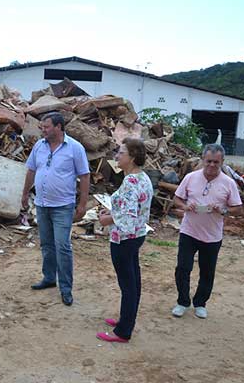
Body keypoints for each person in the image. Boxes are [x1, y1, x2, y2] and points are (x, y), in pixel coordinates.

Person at [21, 112, 90, 306]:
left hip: (62, 206)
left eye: (46, 127)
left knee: (62, 246)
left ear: (59, 127)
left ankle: (66, 288)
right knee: (47, 245)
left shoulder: (75, 148)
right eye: (42, 127)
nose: (42, 130)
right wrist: (25, 193)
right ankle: (49, 278)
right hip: (42, 204)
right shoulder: (39, 146)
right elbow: (31, 170)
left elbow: (84, 176)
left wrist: (82, 204)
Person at [171, 143, 242, 319]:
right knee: (182, 268)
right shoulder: (190, 177)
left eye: (216, 162)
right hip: (189, 231)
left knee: (207, 271)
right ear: (203, 160)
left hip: (212, 236)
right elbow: (177, 199)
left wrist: (223, 210)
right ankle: (182, 301)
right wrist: (186, 206)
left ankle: (200, 303)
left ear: (222, 162)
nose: (211, 165)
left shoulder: (228, 183)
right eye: (208, 161)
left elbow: (238, 209)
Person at [96, 138, 153, 343]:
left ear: (132, 157)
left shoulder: (130, 181)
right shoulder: (142, 177)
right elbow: (133, 208)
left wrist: (106, 219)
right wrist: (113, 210)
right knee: (133, 282)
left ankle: (123, 331)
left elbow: (128, 216)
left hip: (124, 238)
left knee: (128, 285)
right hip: (136, 235)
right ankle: (125, 320)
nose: (117, 156)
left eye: (121, 153)